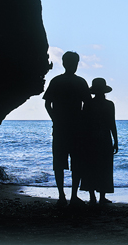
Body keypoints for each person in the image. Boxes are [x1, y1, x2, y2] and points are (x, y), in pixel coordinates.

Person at [43, 51, 91, 206]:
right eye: (74, 63)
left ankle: (62, 196)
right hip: (76, 129)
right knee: (76, 162)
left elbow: (47, 104)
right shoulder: (80, 82)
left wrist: (55, 118)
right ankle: (72, 196)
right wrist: (82, 120)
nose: (74, 66)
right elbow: (88, 105)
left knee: (59, 163)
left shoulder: (56, 81)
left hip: (61, 128)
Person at [80, 78, 118, 204]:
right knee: (105, 167)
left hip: (89, 138)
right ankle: (102, 196)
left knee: (90, 166)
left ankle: (92, 196)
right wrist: (115, 140)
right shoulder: (109, 104)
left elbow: (84, 123)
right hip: (104, 138)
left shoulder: (88, 104)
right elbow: (112, 123)